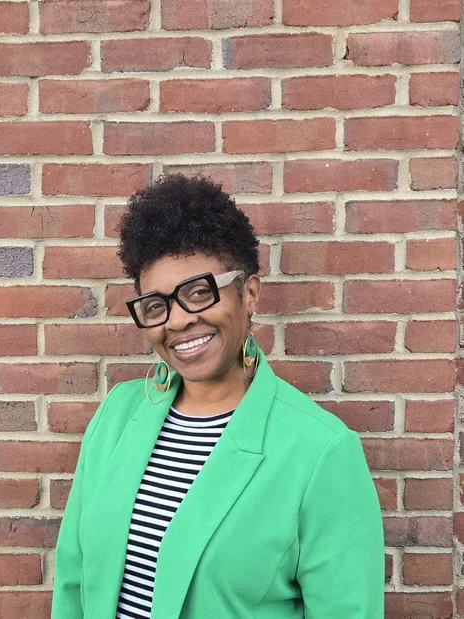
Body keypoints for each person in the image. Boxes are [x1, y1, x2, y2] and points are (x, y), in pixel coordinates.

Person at [51, 174, 385, 619]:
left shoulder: (320, 451)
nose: (178, 321)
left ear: (249, 295)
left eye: (198, 293)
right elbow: (73, 583)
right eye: (156, 305)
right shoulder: (118, 415)